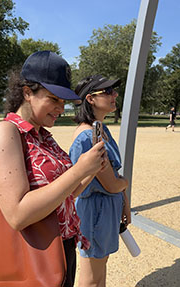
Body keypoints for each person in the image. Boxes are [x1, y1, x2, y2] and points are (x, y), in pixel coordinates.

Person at [0, 51, 108, 287]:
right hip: (32, 254)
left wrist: (91, 170)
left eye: (63, 101)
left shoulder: (43, 136)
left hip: (61, 249)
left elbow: (65, 195)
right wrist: (79, 170)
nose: (61, 108)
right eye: (54, 99)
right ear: (27, 92)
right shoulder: (6, 132)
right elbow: (17, 215)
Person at [69, 75, 131, 287]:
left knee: (99, 272)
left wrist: (125, 204)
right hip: (96, 212)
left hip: (105, 211)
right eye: (107, 91)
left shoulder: (100, 129)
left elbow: (114, 176)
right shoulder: (88, 137)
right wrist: (126, 183)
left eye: (113, 90)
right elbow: (112, 183)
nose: (114, 95)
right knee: (92, 280)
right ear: (90, 99)